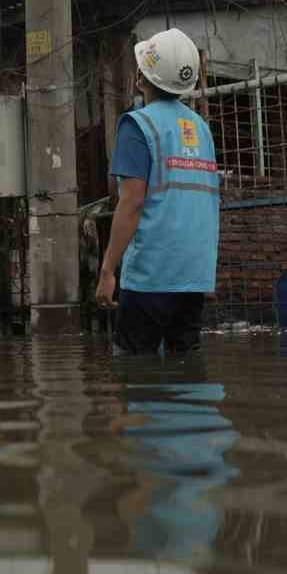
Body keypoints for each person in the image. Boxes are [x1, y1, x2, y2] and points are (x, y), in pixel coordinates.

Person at [96, 28, 220, 355]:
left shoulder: (137, 125)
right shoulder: (202, 129)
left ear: (140, 77)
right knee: (186, 368)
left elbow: (132, 201)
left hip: (151, 274)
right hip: (195, 273)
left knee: (133, 370)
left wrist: (108, 269)